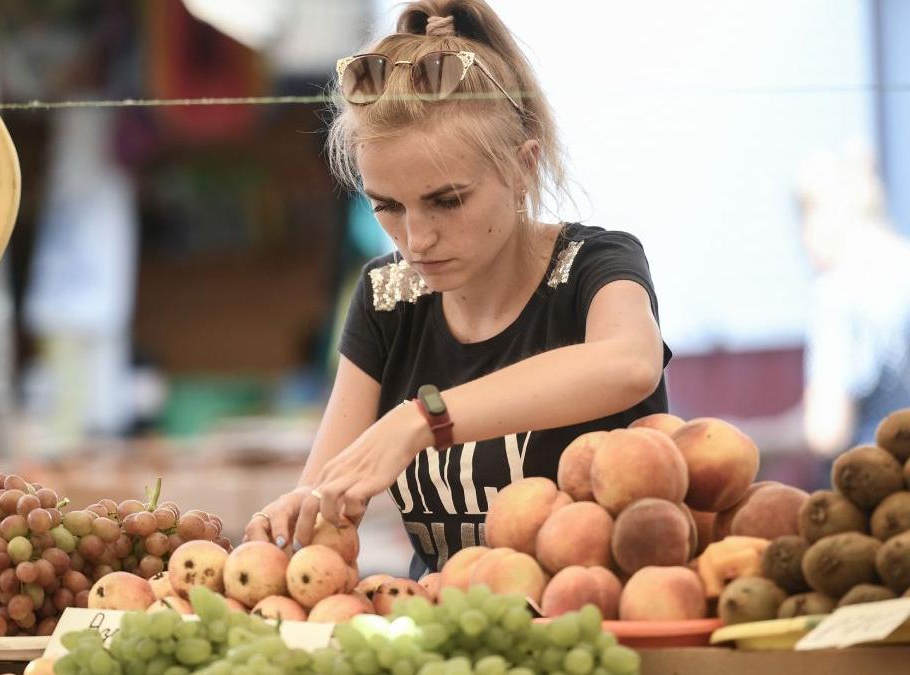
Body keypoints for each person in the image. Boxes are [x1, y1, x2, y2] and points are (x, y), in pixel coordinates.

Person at [243, 0, 672, 577]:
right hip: (443, 623)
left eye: (446, 201)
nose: (416, 240)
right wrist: (296, 515)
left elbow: (629, 364)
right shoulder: (387, 298)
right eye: (387, 207)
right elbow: (325, 495)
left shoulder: (594, 266)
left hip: (598, 618)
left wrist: (421, 420)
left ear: (523, 168)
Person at [797, 142, 910, 476]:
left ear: (824, 216)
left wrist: (758, 441)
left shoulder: (837, 290)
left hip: (876, 487)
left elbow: (826, 430)